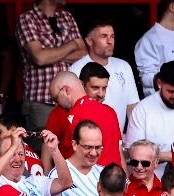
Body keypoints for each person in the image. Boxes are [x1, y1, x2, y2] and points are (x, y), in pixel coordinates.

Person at [14, 0, 84, 133]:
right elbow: (40, 58)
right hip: (41, 101)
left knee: (71, 142)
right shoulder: (27, 19)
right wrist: (72, 45)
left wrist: (49, 54)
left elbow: (84, 53)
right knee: (43, 143)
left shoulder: (67, 17)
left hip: (70, 100)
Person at [66, 19, 138, 130]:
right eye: (104, 36)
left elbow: (132, 107)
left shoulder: (124, 66)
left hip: (117, 138)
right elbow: (71, 111)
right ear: (89, 41)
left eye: (112, 36)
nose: (110, 41)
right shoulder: (75, 70)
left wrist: (135, 137)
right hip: (87, 138)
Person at [126, 62, 174, 177]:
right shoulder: (142, 109)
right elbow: (133, 152)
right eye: (171, 91)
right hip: (154, 180)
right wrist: (169, 156)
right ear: (159, 83)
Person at [45, 71, 123, 168]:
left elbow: (77, 161)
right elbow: (118, 152)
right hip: (115, 174)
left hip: (94, 175)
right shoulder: (108, 111)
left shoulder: (76, 115)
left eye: (56, 99)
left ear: (66, 90)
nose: (56, 104)